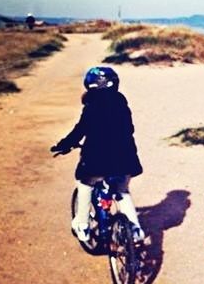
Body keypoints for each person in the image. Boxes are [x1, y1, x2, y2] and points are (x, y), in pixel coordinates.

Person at [51, 66, 144, 244]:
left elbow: (80, 130)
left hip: (97, 159)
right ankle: (135, 229)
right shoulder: (121, 101)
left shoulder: (92, 105)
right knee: (122, 191)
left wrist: (64, 145)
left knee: (85, 183)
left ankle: (82, 224)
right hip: (126, 158)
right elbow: (129, 129)